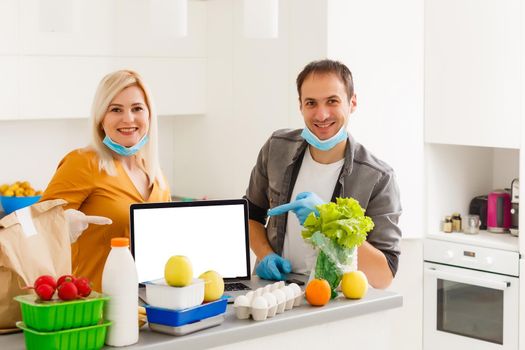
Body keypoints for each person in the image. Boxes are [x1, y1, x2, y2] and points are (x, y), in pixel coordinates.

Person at [245, 59, 402, 289]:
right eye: (311, 103)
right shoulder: (277, 148)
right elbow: (250, 215)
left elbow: (384, 274)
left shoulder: (378, 178)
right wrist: (265, 254)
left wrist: (328, 222)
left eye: (332, 101)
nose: (321, 114)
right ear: (300, 106)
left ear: (352, 102)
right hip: (273, 292)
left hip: (334, 304)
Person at [41, 70, 171, 291]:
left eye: (137, 108)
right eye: (116, 109)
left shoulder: (156, 175)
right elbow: (36, 230)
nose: (128, 119)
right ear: (101, 118)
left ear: (149, 115)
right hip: (95, 309)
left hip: (148, 308)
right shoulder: (83, 163)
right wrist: (61, 226)